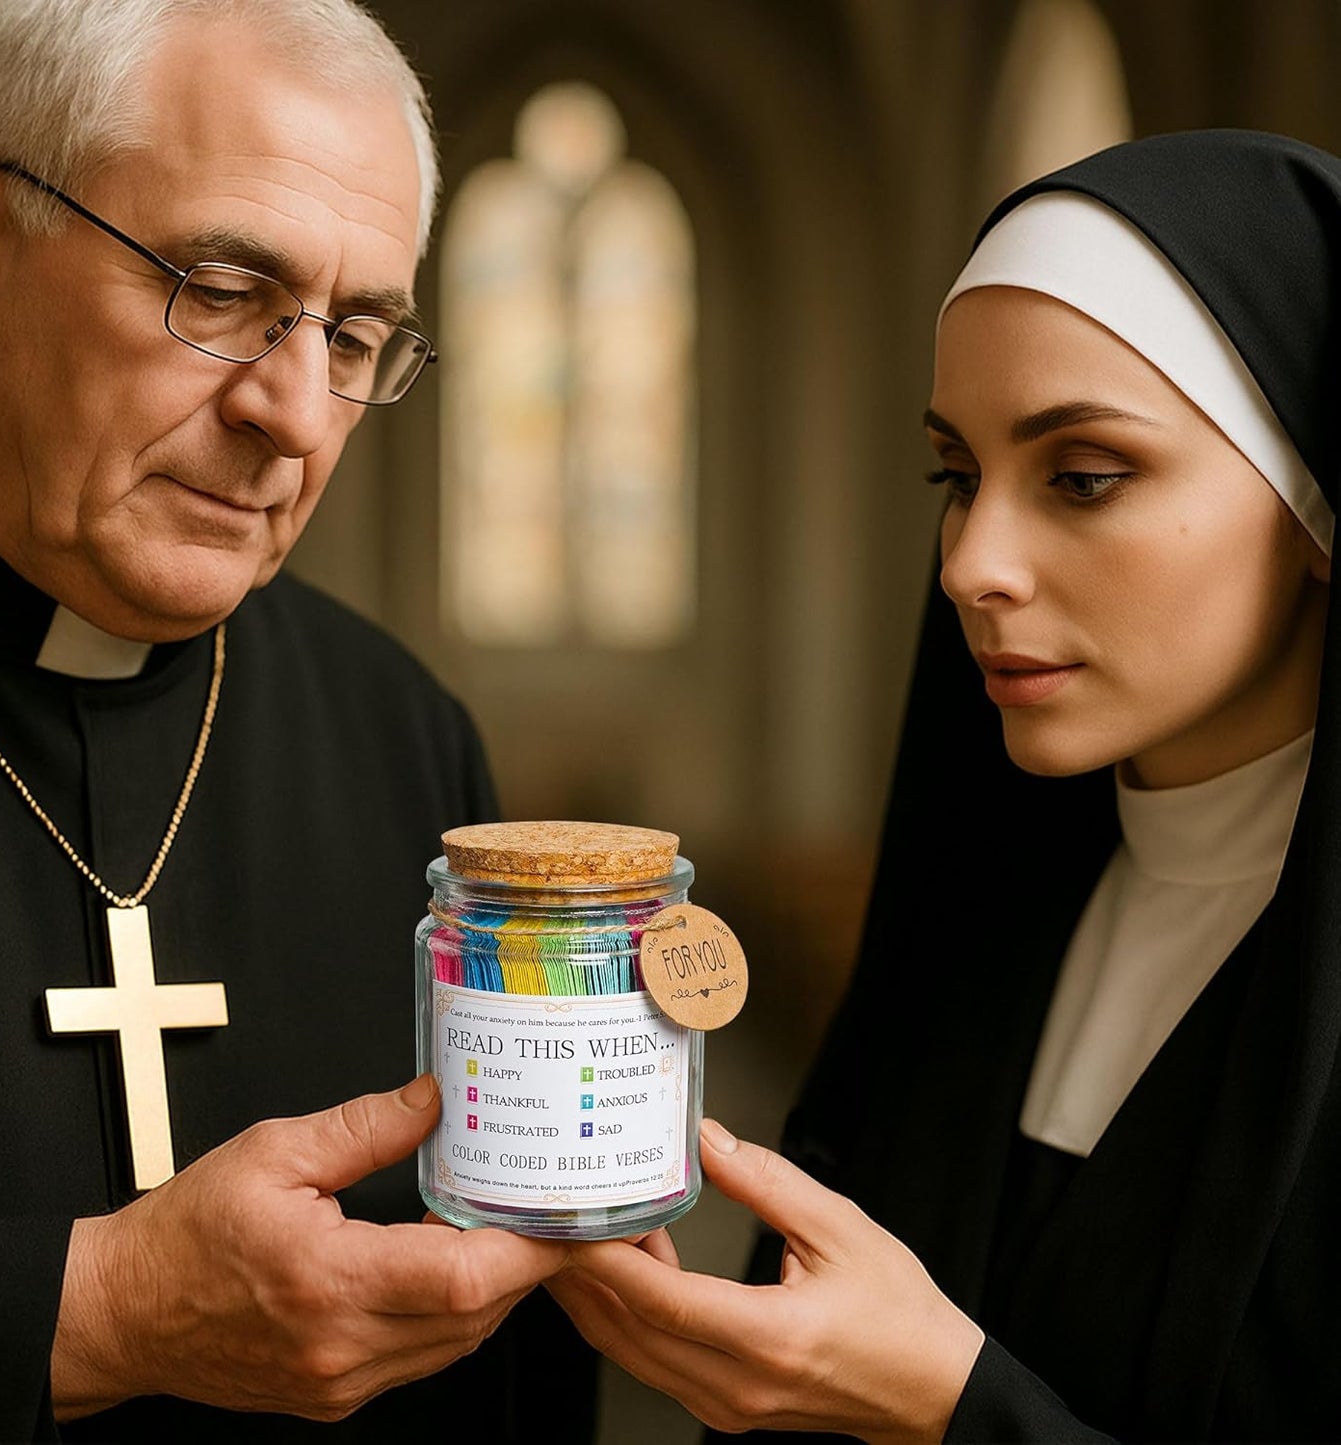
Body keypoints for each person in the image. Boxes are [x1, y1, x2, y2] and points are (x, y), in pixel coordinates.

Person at [550, 129, 1341, 1442]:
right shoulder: (974, 935)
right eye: (954, 477)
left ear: (1314, 503)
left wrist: (948, 1407)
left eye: (1082, 477)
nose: (973, 562)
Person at [0, 1, 594, 1440]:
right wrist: (95, 1307)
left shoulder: (405, 740)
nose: (295, 412)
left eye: (356, 333)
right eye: (220, 288)